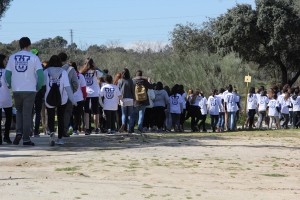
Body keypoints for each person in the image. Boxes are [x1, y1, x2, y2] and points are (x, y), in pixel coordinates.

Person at [5, 37, 44, 146]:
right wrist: (38, 86)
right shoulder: (34, 57)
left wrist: (11, 85)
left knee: (19, 111)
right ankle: (26, 139)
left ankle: (18, 133)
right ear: (29, 45)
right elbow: (40, 75)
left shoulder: (12, 57)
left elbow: (7, 75)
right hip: (30, 89)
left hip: (17, 90)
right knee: (27, 114)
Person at [44, 55, 77, 145]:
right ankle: (60, 138)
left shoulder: (46, 72)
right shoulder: (63, 72)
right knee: (60, 118)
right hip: (62, 98)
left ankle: (51, 135)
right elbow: (67, 88)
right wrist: (73, 100)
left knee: (50, 117)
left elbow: (42, 86)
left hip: (49, 98)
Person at [80, 58, 104, 135]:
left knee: (86, 112)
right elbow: (103, 74)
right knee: (95, 112)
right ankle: (96, 128)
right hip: (94, 93)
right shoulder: (96, 72)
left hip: (86, 93)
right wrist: (96, 67)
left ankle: (87, 128)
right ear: (92, 64)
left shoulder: (82, 72)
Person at [70, 62, 87, 135]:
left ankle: (70, 127)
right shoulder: (80, 76)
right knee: (77, 115)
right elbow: (83, 88)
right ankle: (75, 129)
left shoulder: (67, 75)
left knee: (70, 114)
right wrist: (84, 95)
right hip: (79, 98)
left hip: (70, 98)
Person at [0, 54, 13, 144]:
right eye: (5, 60)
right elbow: (10, 84)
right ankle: (6, 137)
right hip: (6, 97)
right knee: (9, 117)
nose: (6, 62)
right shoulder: (6, 72)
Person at [118, 68, 134, 133]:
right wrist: (134, 99)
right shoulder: (130, 81)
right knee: (130, 114)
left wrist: (119, 99)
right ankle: (129, 128)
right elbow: (133, 90)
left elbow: (118, 90)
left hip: (122, 98)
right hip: (130, 99)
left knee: (124, 114)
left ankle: (123, 125)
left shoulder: (120, 81)